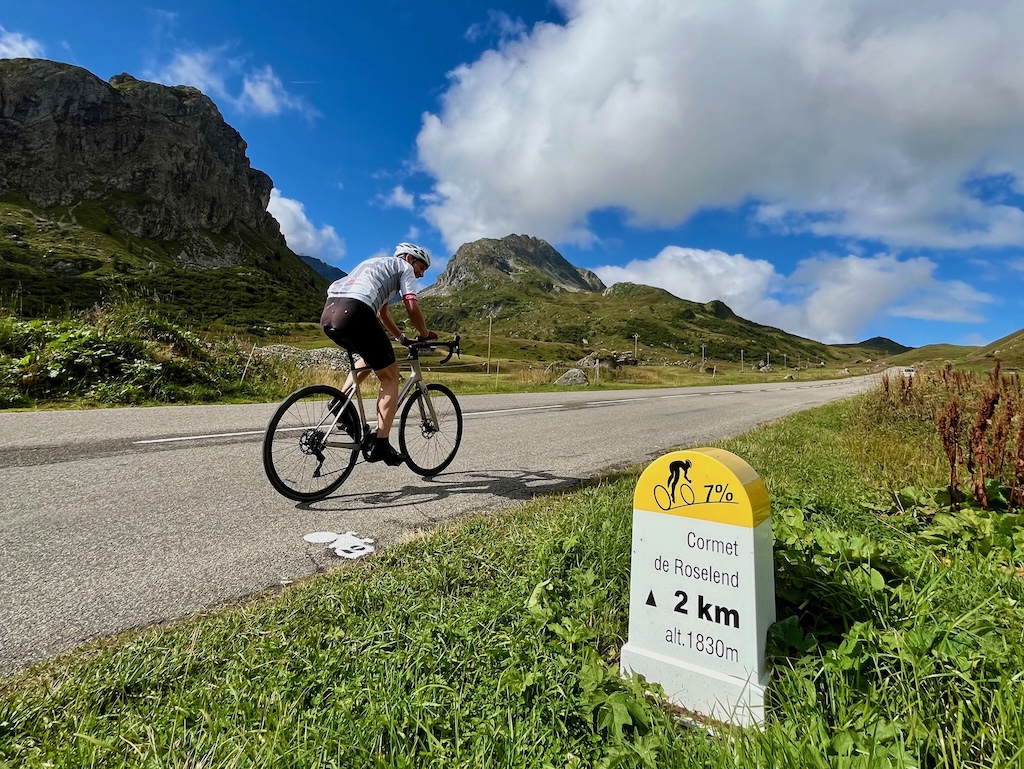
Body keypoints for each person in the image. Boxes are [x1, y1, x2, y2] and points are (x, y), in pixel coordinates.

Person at [320, 242, 437, 466]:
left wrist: (401, 338)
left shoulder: (377, 265)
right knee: (390, 375)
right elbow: (411, 305)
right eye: (421, 267)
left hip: (330, 312)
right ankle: (381, 444)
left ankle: (340, 403)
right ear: (409, 259)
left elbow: (383, 314)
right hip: (356, 311)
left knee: (368, 357)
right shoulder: (404, 268)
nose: (421, 274)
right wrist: (424, 334)